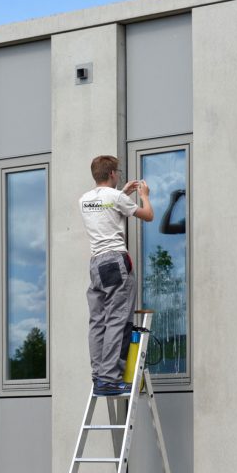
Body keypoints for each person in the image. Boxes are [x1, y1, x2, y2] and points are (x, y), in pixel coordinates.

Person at [79, 155, 153, 396]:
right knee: (117, 319)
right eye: (117, 172)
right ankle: (110, 378)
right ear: (111, 173)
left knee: (98, 320)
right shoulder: (116, 197)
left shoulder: (85, 200)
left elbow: (107, 209)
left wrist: (123, 192)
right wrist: (144, 196)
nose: (119, 174)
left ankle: (99, 374)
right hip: (114, 262)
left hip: (96, 265)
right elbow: (147, 215)